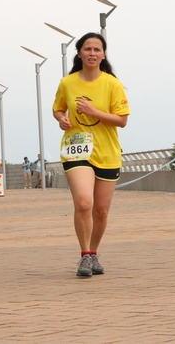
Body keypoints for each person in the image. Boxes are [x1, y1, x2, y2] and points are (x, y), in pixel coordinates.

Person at [52, 32, 130, 277]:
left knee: (101, 211)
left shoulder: (112, 84)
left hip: (106, 152)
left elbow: (122, 120)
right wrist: (62, 119)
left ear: (103, 55)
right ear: (79, 53)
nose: (92, 53)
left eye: (97, 49)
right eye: (87, 49)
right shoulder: (67, 83)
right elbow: (58, 109)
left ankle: (94, 252)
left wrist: (93, 111)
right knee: (84, 203)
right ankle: (85, 255)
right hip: (76, 150)